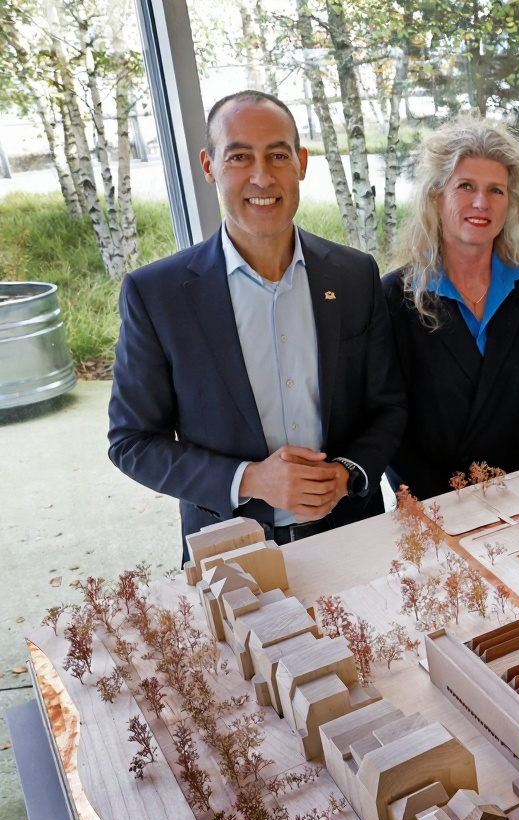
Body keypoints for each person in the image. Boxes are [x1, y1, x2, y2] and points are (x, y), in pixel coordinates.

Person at [108, 91, 407, 558]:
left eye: (278, 155)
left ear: (301, 163)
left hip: (353, 538)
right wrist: (249, 480)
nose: (262, 176)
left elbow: (388, 406)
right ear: (209, 166)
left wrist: (347, 473)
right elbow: (132, 442)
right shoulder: (157, 295)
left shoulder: (354, 275)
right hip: (231, 553)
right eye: (240, 156)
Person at [381, 117, 519, 498]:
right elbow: (386, 419)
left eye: (496, 190)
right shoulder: (393, 298)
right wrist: (443, 501)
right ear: (436, 195)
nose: (482, 203)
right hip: (438, 509)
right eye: (466, 186)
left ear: (510, 202)